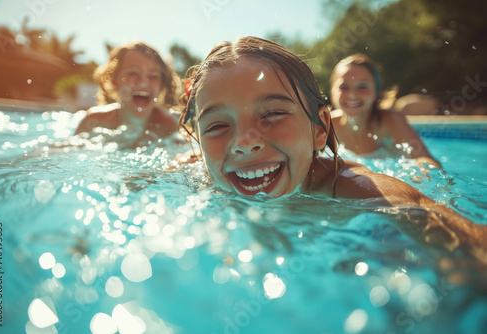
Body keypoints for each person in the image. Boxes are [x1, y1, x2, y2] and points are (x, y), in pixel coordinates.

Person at [177, 36, 487, 278]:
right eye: (217, 125)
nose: (243, 143)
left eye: (271, 113)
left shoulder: (350, 184)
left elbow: (420, 209)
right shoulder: (202, 176)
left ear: (320, 130)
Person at [329, 53, 442, 168]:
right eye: (344, 87)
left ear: (376, 93)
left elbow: (424, 159)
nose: (352, 95)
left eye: (362, 87)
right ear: (332, 91)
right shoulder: (328, 125)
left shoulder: (390, 122)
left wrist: (421, 174)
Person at [75, 42, 179, 144]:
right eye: (133, 73)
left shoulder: (168, 126)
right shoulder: (94, 122)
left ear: (162, 86)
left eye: (153, 76)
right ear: (114, 80)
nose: (143, 82)